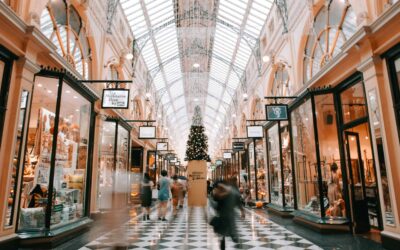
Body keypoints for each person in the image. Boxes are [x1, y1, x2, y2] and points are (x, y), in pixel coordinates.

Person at [210, 180, 245, 250]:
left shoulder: (227, 192)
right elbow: (214, 203)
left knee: (229, 233)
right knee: (225, 234)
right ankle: (234, 242)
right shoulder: (221, 193)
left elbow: (238, 201)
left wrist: (242, 211)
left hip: (227, 216)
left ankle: (235, 242)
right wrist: (242, 211)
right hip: (224, 216)